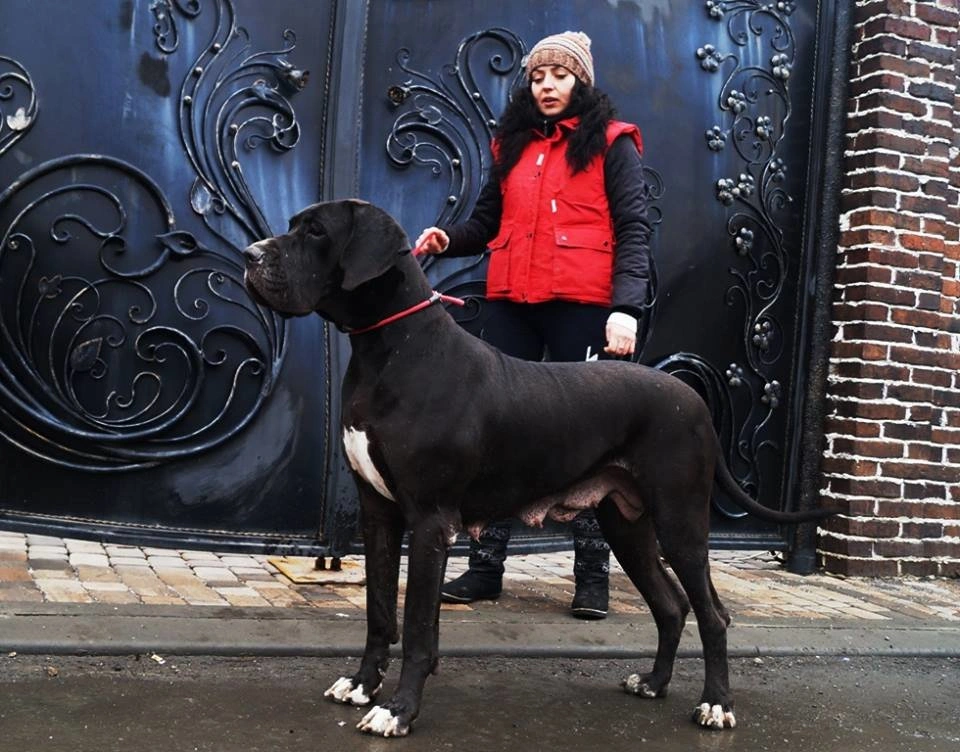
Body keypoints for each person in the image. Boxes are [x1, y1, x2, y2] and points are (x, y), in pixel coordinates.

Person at [414, 30, 651, 620]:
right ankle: (485, 567)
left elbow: (634, 229)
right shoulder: (512, 146)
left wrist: (626, 308)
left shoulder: (613, 143)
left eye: (560, 75)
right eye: (538, 76)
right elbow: (485, 223)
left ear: (581, 81)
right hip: (512, 301)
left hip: (584, 305)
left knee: (593, 439)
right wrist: (449, 239)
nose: (547, 86)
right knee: (495, 432)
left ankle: (592, 576)